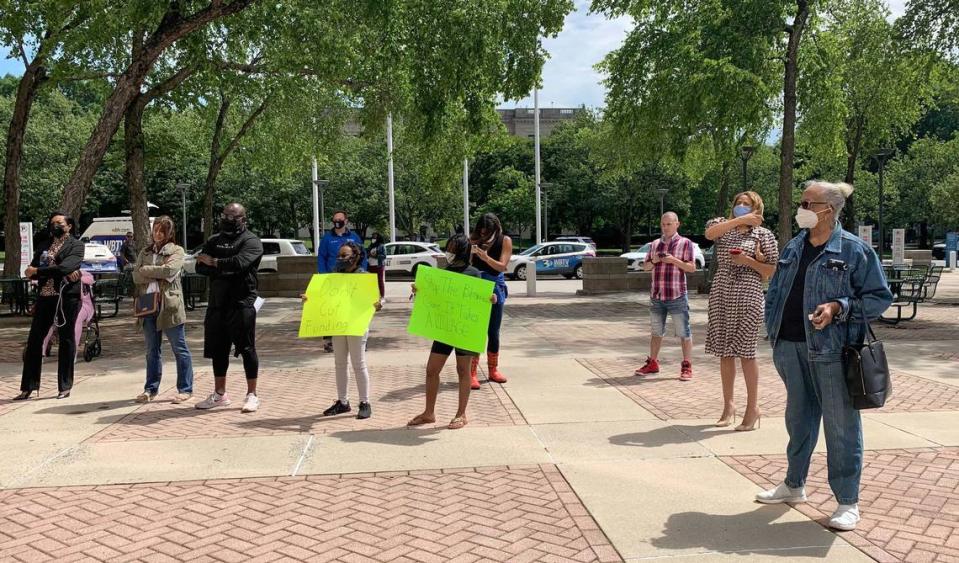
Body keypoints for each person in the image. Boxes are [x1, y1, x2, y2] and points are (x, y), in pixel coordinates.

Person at [757, 180, 892, 532]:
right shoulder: (794, 246)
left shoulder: (854, 250)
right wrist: (773, 332)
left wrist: (838, 306)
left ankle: (848, 502)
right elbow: (776, 293)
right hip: (789, 347)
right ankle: (794, 484)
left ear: (827, 211)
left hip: (831, 353)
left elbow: (879, 298)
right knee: (798, 421)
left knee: (841, 426)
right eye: (801, 200)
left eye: (807, 202)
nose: (801, 207)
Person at [704, 192, 779, 431]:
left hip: (748, 295)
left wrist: (748, 261)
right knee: (725, 352)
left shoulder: (764, 235)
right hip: (722, 293)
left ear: (757, 208)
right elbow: (709, 234)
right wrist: (738, 221)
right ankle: (728, 406)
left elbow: (771, 270)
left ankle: (753, 408)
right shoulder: (722, 226)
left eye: (748, 204)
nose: (742, 207)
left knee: (746, 352)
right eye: (739, 203)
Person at [407, 234, 498, 430]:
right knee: (432, 369)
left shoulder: (474, 273)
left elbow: (481, 299)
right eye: (448, 247)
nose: (449, 252)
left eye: (453, 248)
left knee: (463, 370)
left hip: (464, 330)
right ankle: (429, 413)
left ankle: (461, 413)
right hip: (445, 329)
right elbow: (434, 298)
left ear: (462, 251)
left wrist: (490, 299)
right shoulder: (443, 273)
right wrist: (419, 290)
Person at [194, 203, 264, 413]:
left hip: (242, 302)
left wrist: (215, 262)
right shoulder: (214, 239)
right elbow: (199, 266)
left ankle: (252, 394)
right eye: (224, 215)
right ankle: (220, 393)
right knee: (218, 350)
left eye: (232, 217)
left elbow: (240, 263)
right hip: (217, 303)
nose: (227, 219)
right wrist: (221, 265)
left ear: (243, 219)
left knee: (247, 349)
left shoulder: (251, 241)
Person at [306, 241, 381, 420]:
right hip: (339, 324)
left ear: (355, 258)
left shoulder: (363, 277)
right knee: (340, 363)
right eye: (339, 255)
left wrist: (377, 304)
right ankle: (343, 401)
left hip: (356, 325)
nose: (340, 259)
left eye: (344, 255)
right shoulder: (335, 276)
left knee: (358, 363)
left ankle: (364, 402)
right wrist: (310, 299)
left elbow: (375, 299)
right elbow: (324, 298)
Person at [16, 211, 85, 400]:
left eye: (60, 223)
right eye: (52, 223)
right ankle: (28, 386)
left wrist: (41, 271)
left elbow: (66, 267)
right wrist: (44, 271)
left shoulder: (76, 245)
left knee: (66, 339)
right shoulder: (44, 245)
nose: (55, 226)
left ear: (69, 226)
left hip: (65, 297)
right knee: (34, 341)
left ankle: (64, 386)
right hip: (45, 297)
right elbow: (31, 271)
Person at [131, 216, 194, 404]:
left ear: (169, 233)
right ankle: (150, 389)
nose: (158, 234)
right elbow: (136, 275)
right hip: (147, 303)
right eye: (155, 229)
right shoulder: (145, 251)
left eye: (162, 231)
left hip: (169, 305)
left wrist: (147, 270)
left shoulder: (176, 250)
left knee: (179, 347)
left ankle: (185, 388)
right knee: (151, 349)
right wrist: (154, 272)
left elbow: (169, 271)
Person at [635, 212, 697, 380]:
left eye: (669, 224)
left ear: (677, 224)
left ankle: (687, 365)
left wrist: (673, 261)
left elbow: (691, 268)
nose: (665, 227)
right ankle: (653, 362)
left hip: (677, 294)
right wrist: (655, 260)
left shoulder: (685, 243)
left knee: (684, 332)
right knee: (656, 332)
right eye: (663, 224)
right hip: (657, 294)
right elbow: (646, 267)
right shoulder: (654, 244)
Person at [468, 213, 512, 389]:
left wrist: (485, 257)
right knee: (476, 331)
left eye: (488, 232)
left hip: (495, 286)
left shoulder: (505, 240)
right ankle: (472, 372)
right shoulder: (473, 239)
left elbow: (502, 266)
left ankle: (493, 369)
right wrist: (470, 253)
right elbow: (465, 265)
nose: (484, 235)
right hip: (476, 286)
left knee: (493, 331)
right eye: (481, 231)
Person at [317, 210, 366, 352]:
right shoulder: (327, 238)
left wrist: (361, 273)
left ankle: (357, 337)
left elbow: (362, 255)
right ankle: (329, 341)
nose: (337, 222)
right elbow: (321, 257)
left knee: (352, 308)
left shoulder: (354, 237)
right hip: (333, 278)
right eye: (334, 220)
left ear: (346, 221)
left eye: (340, 219)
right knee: (331, 309)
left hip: (352, 278)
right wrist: (324, 276)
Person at [366, 232, 387, 299]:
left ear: (378, 238)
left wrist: (375, 256)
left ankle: (382, 295)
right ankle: (373, 294)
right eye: (372, 237)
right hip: (370, 266)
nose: (373, 238)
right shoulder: (370, 246)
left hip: (379, 265)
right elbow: (367, 254)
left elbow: (384, 256)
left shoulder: (382, 246)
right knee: (371, 281)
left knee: (380, 281)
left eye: (374, 237)